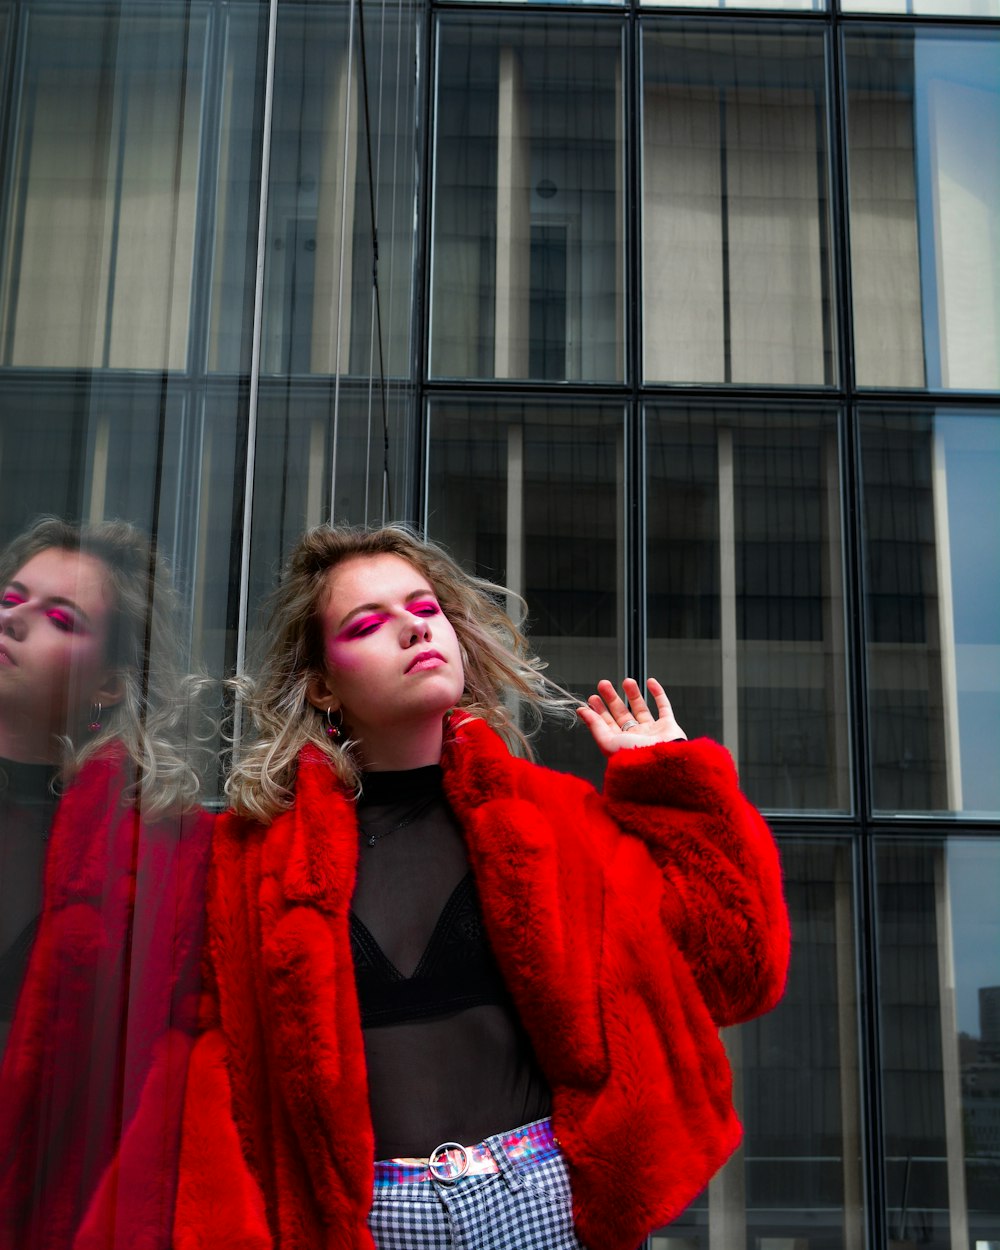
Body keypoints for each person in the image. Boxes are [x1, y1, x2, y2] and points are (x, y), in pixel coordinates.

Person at [173, 523, 790, 1250]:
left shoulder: (554, 819)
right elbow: (216, 1090)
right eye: (368, 623)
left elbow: (735, 972)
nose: (411, 630)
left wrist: (669, 781)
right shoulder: (253, 860)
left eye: (425, 609)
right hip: (364, 1222)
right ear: (322, 685)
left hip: (541, 1204)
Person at [0, 518, 214, 1250]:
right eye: (10, 597)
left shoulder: (156, 858)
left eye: (59, 617)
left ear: (111, 683)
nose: (13, 620)